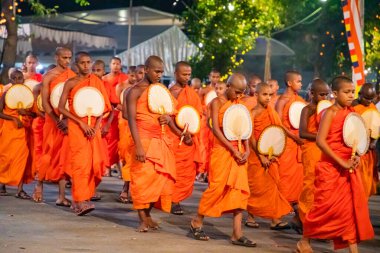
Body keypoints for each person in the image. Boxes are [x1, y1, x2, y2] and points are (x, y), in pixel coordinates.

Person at [297, 76, 374, 253]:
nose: (350, 95)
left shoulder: (352, 112)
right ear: (335, 93)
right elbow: (320, 141)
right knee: (321, 209)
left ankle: (353, 250)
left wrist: (356, 157)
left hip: (348, 168)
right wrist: (341, 161)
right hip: (330, 167)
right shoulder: (330, 113)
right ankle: (304, 241)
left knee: (348, 211)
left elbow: (354, 139)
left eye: (352, 92)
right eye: (346, 92)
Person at [190, 73, 255, 247]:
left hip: (240, 152)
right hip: (223, 151)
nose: (240, 95)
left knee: (239, 191)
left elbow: (245, 129)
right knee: (216, 188)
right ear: (228, 86)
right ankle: (197, 220)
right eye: (237, 91)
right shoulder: (216, 102)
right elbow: (216, 129)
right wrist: (233, 149)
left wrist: (247, 149)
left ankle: (237, 233)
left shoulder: (239, 105)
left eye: (243, 92)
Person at [126, 55, 176, 232]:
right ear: (146, 70)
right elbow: (131, 119)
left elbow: (170, 113)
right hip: (143, 140)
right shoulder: (135, 91)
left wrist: (168, 119)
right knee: (141, 180)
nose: (159, 75)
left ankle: (148, 215)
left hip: (160, 140)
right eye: (156, 71)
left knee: (158, 181)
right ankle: (141, 219)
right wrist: (138, 145)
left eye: (162, 72)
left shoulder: (161, 90)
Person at [58, 51, 111, 215]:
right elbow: (60, 108)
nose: (87, 66)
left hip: (93, 127)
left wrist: (97, 126)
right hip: (76, 126)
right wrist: (80, 123)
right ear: (76, 64)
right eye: (83, 63)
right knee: (80, 164)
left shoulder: (96, 82)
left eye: (89, 62)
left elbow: (103, 106)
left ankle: (82, 199)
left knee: (95, 163)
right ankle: (80, 201)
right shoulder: (71, 83)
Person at [245, 82, 292, 230]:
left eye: (270, 95)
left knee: (272, 186)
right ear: (256, 95)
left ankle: (275, 219)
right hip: (255, 155)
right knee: (256, 186)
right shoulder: (252, 113)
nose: (268, 98)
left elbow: (277, 131)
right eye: (265, 94)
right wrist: (261, 156)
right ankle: (251, 217)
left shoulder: (271, 111)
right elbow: (251, 138)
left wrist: (275, 152)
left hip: (271, 153)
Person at [36, 47, 76, 205]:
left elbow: (74, 101)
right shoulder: (48, 77)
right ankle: (39, 185)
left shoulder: (73, 76)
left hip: (67, 122)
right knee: (48, 153)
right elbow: (45, 102)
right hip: (52, 122)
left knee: (64, 157)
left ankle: (61, 196)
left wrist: (66, 119)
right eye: (64, 58)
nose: (67, 61)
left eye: (69, 58)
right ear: (56, 58)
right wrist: (55, 119)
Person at [168, 61, 203, 215]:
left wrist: (191, 133)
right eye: (184, 74)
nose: (187, 77)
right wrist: (179, 132)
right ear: (175, 73)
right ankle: (172, 200)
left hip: (189, 137)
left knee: (186, 171)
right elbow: (167, 116)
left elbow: (198, 116)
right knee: (174, 168)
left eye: (189, 74)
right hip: (174, 136)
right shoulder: (172, 92)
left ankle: (176, 199)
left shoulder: (192, 93)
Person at [275, 70, 305, 231]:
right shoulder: (282, 100)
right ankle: (276, 217)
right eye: (298, 81)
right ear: (289, 83)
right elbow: (279, 124)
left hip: (299, 145)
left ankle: (297, 217)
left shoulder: (300, 101)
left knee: (298, 183)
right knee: (284, 180)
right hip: (287, 144)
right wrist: (294, 138)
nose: (301, 83)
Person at [298, 79, 330, 223]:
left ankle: (316, 220)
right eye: (322, 95)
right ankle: (305, 219)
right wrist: (321, 137)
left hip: (325, 152)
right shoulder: (308, 109)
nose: (325, 98)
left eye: (327, 95)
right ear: (312, 94)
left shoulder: (328, 110)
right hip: (311, 150)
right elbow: (302, 133)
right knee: (310, 185)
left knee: (322, 187)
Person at [0, 70, 36, 198]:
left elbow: (34, 114)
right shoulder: (5, 94)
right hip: (9, 131)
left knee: (21, 160)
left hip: (23, 133)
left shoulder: (28, 95)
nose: (17, 80)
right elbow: (0, 112)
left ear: (23, 80)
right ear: (10, 80)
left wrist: (25, 112)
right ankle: (2, 185)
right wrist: (13, 118)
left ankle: (20, 190)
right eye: (14, 78)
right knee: (5, 159)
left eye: (19, 78)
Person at [102, 57, 129, 176]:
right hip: (108, 112)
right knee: (110, 140)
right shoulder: (105, 79)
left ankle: (118, 168)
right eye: (114, 63)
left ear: (121, 65)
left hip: (121, 112)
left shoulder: (126, 79)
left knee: (120, 141)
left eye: (118, 64)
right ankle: (107, 166)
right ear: (110, 64)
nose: (116, 66)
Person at [352, 83, 379, 197]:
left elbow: (376, 128)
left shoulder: (373, 108)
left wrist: (372, 142)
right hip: (352, 148)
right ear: (359, 94)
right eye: (366, 98)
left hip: (367, 152)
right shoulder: (352, 105)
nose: (368, 101)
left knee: (365, 184)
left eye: (371, 98)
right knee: (354, 183)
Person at [118, 66, 138, 203]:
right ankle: (125, 188)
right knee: (129, 159)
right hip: (130, 128)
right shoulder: (128, 90)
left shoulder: (154, 92)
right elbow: (125, 113)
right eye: (139, 73)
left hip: (148, 131)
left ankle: (140, 194)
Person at [198, 69, 220, 177]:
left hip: (215, 120)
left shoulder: (221, 90)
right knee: (204, 145)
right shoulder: (204, 90)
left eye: (217, 77)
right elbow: (198, 104)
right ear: (209, 77)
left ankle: (210, 170)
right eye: (213, 77)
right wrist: (204, 110)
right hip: (204, 121)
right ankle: (202, 170)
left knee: (212, 145)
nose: (215, 79)